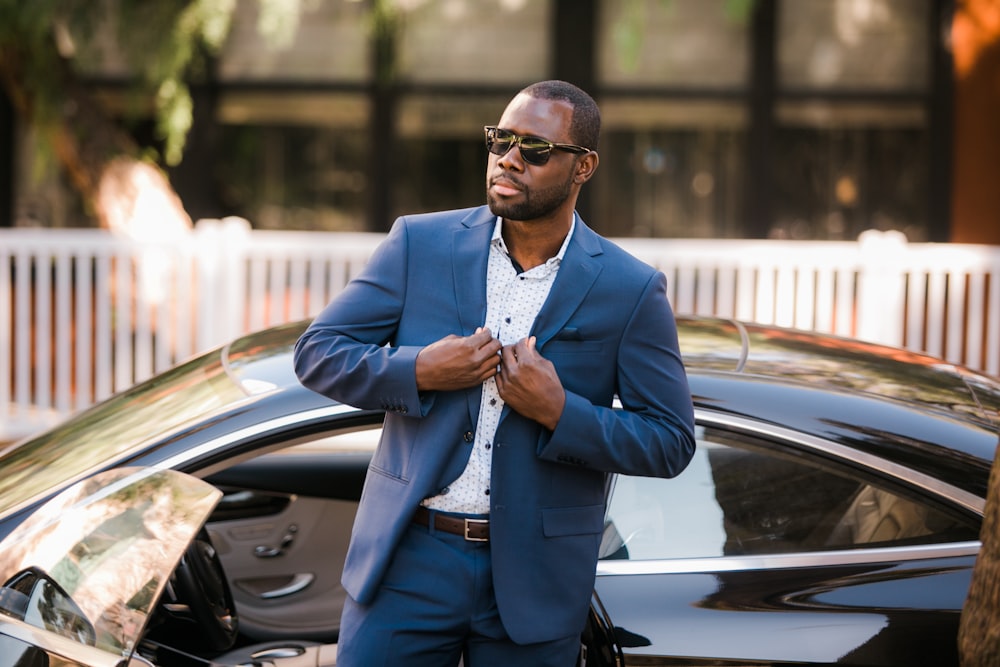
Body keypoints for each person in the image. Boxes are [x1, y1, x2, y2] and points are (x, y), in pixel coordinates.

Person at [293, 80, 696, 666]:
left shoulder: (629, 290)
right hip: (409, 561)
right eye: (500, 140)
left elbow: (670, 441)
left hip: (535, 579)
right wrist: (420, 370)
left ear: (583, 167)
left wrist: (562, 412)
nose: (509, 158)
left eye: (534, 148)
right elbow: (318, 352)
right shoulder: (419, 244)